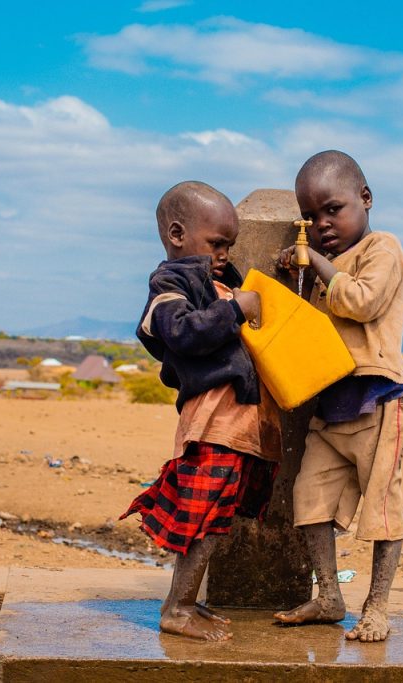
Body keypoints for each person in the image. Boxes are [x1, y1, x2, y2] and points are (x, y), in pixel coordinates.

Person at [121, 180, 281, 642]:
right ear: (176, 234)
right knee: (205, 514)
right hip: (213, 419)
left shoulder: (221, 279)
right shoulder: (171, 282)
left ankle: (185, 602)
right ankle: (178, 609)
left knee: (220, 511)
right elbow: (179, 331)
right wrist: (235, 311)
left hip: (238, 420)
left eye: (229, 245)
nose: (225, 254)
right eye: (217, 243)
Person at [274, 150, 403, 642]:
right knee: (309, 499)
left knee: (381, 508)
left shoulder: (383, 248)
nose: (322, 224)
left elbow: (361, 300)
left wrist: (313, 262)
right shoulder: (323, 267)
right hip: (330, 404)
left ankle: (377, 607)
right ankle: (330, 596)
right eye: (310, 217)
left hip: (379, 401)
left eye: (332, 209)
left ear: (366, 198)